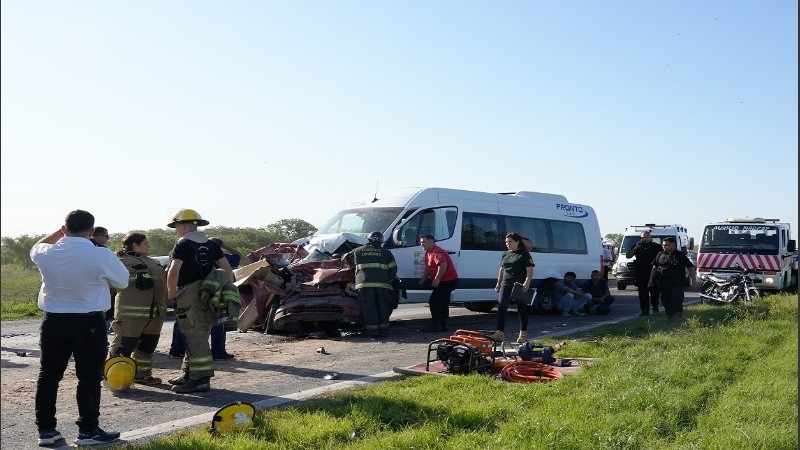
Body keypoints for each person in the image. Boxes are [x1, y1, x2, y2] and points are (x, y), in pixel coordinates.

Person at [30, 210, 129, 447]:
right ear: (92, 231)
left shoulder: (46, 253)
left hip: (53, 321)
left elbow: (37, 246)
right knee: (89, 377)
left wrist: (60, 232)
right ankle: (88, 430)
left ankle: (46, 430)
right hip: (89, 323)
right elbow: (123, 282)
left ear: (63, 229)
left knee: (49, 376)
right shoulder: (101, 255)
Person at [165, 209, 235, 394]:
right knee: (199, 332)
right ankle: (188, 373)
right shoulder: (211, 243)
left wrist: (171, 292)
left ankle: (200, 380)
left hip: (188, 293)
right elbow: (227, 269)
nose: (176, 230)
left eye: (176, 226)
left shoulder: (183, 244)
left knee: (192, 333)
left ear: (184, 225)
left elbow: (173, 271)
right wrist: (225, 290)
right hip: (208, 292)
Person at [107, 233, 167, 385]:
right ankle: (113, 378)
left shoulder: (153, 262)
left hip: (155, 314)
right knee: (123, 347)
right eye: (146, 243)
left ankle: (142, 375)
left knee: (147, 348)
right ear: (135, 245)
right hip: (131, 315)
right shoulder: (120, 262)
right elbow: (110, 285)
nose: (149, 246)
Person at [169, 237, 241, 360]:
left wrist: (172, 292)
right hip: (213, 297)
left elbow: (172, 272)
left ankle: (177, 350)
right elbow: (237, 257)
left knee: (183, 320)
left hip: (185, 293)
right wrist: (224, 245)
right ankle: (218, 353)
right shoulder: (219, 257)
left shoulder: (185, 256)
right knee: (217, 323)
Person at [341, 231, 397, 337]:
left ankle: (372, 331)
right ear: (381, 241)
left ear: (369, 239)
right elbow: (393, 270)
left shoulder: (357, 251)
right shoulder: (386, 253)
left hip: (364, 285)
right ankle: (383, 330)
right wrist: (388, 280)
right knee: (383, 307)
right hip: (383, 285)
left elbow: (344, 259)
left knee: (369, 308)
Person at [487, 233, 534, 343]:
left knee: (521, 309)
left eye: (510, 242)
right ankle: (499, 333)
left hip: (519, 285)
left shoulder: (524, 254)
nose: (508, 244)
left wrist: (527, 282)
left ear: (517, 242)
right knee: (501, 308)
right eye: (506, 242)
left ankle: (523, 333)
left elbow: (530, 270)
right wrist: (498, 283)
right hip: (506, 284)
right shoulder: (505, 254)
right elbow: (502, 269)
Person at [418, 234, 459, 332]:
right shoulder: (428, 252)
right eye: (421, 242)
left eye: (424, 242)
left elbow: (443, 265)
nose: (422, 244)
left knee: (434, 301)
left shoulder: (437, 252)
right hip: (443, 280)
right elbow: (428, 267)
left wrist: (437, 279)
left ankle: (436, 324)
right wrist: (424, 278)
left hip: (448, 281)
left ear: (431, 242)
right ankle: (444, 325)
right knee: (443, 302)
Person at [648, 237, 696, 319]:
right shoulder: (660, 254)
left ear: (673, 245)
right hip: (663, 281)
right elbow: (654, 267)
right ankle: (669, 317)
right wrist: (650, 280)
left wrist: (693, 281)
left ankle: (678, 315)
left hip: (677, 281)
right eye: (663, 245)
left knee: (676, 298)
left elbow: (691, 267)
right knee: (665, 300)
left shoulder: (680, 255)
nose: (664, 246)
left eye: (666, 245)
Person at [625, 231, 663, 316]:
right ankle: (644, 311)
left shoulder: (656, 247)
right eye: (642, 237)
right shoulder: (638, 246)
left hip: (653, 273)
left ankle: (655, 308)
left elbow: (662, 257)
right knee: (642, 293)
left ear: (650, 237)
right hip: (641, 273)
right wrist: (635, 248)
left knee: (655, 293)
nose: (644, 239)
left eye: (646, 237)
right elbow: (628, 255)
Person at [90, 227, 115, 331]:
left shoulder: (84, 247)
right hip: (99, 286)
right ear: (99, 236)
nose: (107, 239)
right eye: (106, 236)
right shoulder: (101, 250)